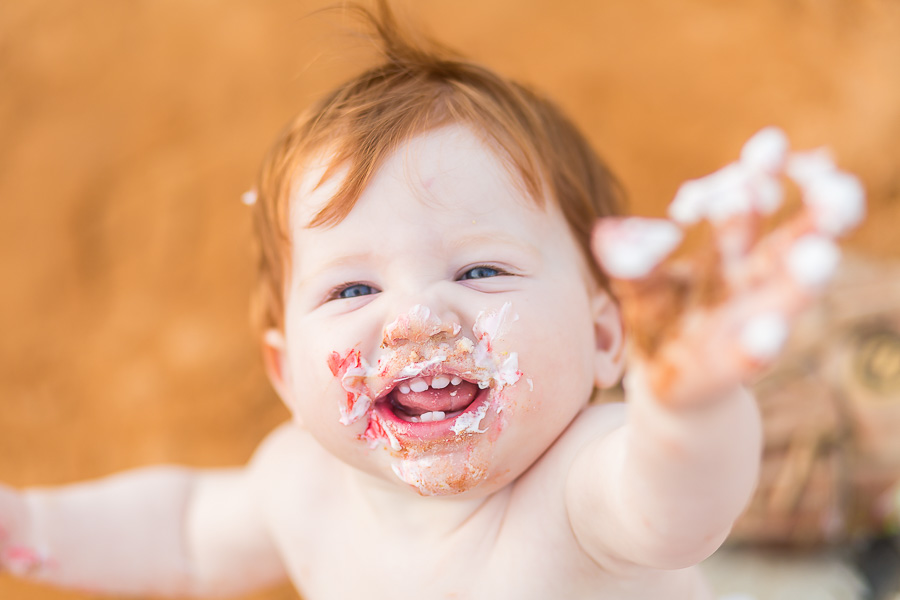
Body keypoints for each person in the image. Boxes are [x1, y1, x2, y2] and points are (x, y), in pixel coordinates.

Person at [0, 2, 864, 598]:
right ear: (284, 371)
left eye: (482, 273)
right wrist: (26, 521)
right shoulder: (302, 485)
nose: (417, 318)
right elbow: (184, 531)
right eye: (352, 287)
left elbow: (682, 502)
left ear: (605, 336)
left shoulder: (585, 485)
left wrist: (691, 404)